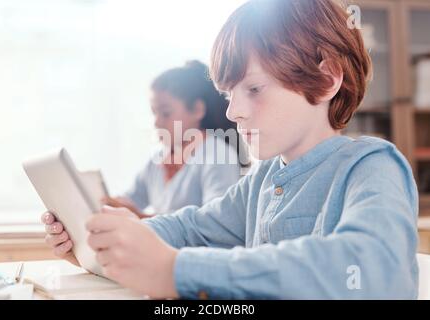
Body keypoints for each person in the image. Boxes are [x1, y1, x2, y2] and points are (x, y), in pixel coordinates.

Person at [42, 0, 419, 299]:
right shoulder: (262, 182)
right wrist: (103, 238)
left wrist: (176, 270)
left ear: (326, 79)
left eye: (254, 89)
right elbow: (190, 229)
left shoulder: (371, 166)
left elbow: (370, 272)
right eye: (228, 94)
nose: (232, 111)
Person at [102, 60, 246, 218]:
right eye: (154, 113)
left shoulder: (219, 157)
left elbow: (216, 224)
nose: (156, 122)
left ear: (197, 110)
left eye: (165, 113)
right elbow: (130, 200)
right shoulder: (158, 160)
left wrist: (140, 219)